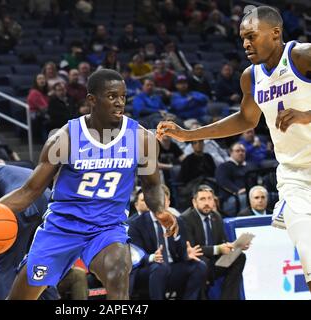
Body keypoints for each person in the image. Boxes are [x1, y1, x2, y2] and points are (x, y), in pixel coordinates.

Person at [157, 5, 311, 292]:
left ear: (275, 33)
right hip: (295, 175)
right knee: (308, 248)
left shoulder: (302, 56)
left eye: (252, 35)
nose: (245, 44)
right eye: (242, 37)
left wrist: (306, 115)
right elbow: (245, 119)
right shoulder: (251, 77)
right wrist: (189, 135)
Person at [0, 69, 178, 300]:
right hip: (62, 228)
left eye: (123, 96)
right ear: (92, 99)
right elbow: (30, 190)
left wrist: (160, 210)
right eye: (112, 96)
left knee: (118, 271)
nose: (119, 103)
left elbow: (152, 186)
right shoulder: (65, 138)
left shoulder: (142, 139)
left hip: (107, 228)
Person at [0, 164, 51, 300]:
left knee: (6, 263)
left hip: (23, 204)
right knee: (41, 261)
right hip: (49, 205)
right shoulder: (18, 170)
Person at [128, 185, 206, 300]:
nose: (159, 203)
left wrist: (185, 253)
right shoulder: (136, 224)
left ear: (168, 202)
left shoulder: (177, 221)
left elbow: (181, 253)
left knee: (199, 266)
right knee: (160, 268)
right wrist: (152, 257)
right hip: (147, 269)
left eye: (162, 200)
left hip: (171, 268)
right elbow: (135, 256)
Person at [181, 185, 248, 300]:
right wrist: (218, 249)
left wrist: (235, 246)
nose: (207, 202)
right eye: (202, 199)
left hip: (214, 263)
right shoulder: (185, 219)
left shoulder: (216, 216)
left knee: (239, 256)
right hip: (196, 262)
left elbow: (223, 242)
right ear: (194, 202)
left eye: (209, 198)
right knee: (202, 263)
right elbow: (192, 249)